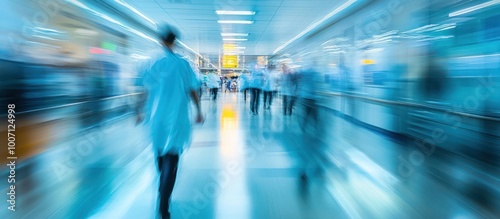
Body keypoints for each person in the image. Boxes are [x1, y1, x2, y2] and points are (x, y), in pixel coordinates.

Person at [135, 25, 204, 219]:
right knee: (172, 158)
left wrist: (138, 111)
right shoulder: (183, 63)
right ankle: (164, 203)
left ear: (160, 40)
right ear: (175, 42)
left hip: (155, 117)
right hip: (177, 117)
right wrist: (199, 111)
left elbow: (142, 90)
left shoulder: (149, 63)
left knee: (159, 154)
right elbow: (192, 90)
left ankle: (162, 190)